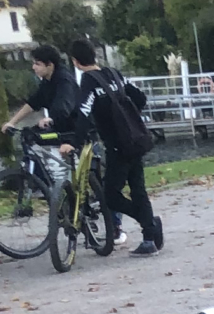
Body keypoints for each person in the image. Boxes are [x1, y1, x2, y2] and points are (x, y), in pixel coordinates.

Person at [70, 35, 163, 256]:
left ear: (75, 61)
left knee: (110, 195)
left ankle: (149, 223)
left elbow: (84, 112)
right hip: (135, 140)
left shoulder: (89, 81)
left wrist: (74, 142)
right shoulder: (114, 74)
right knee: (138, 189)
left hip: (116, 146)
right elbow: (139, 98)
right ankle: (149, 238)